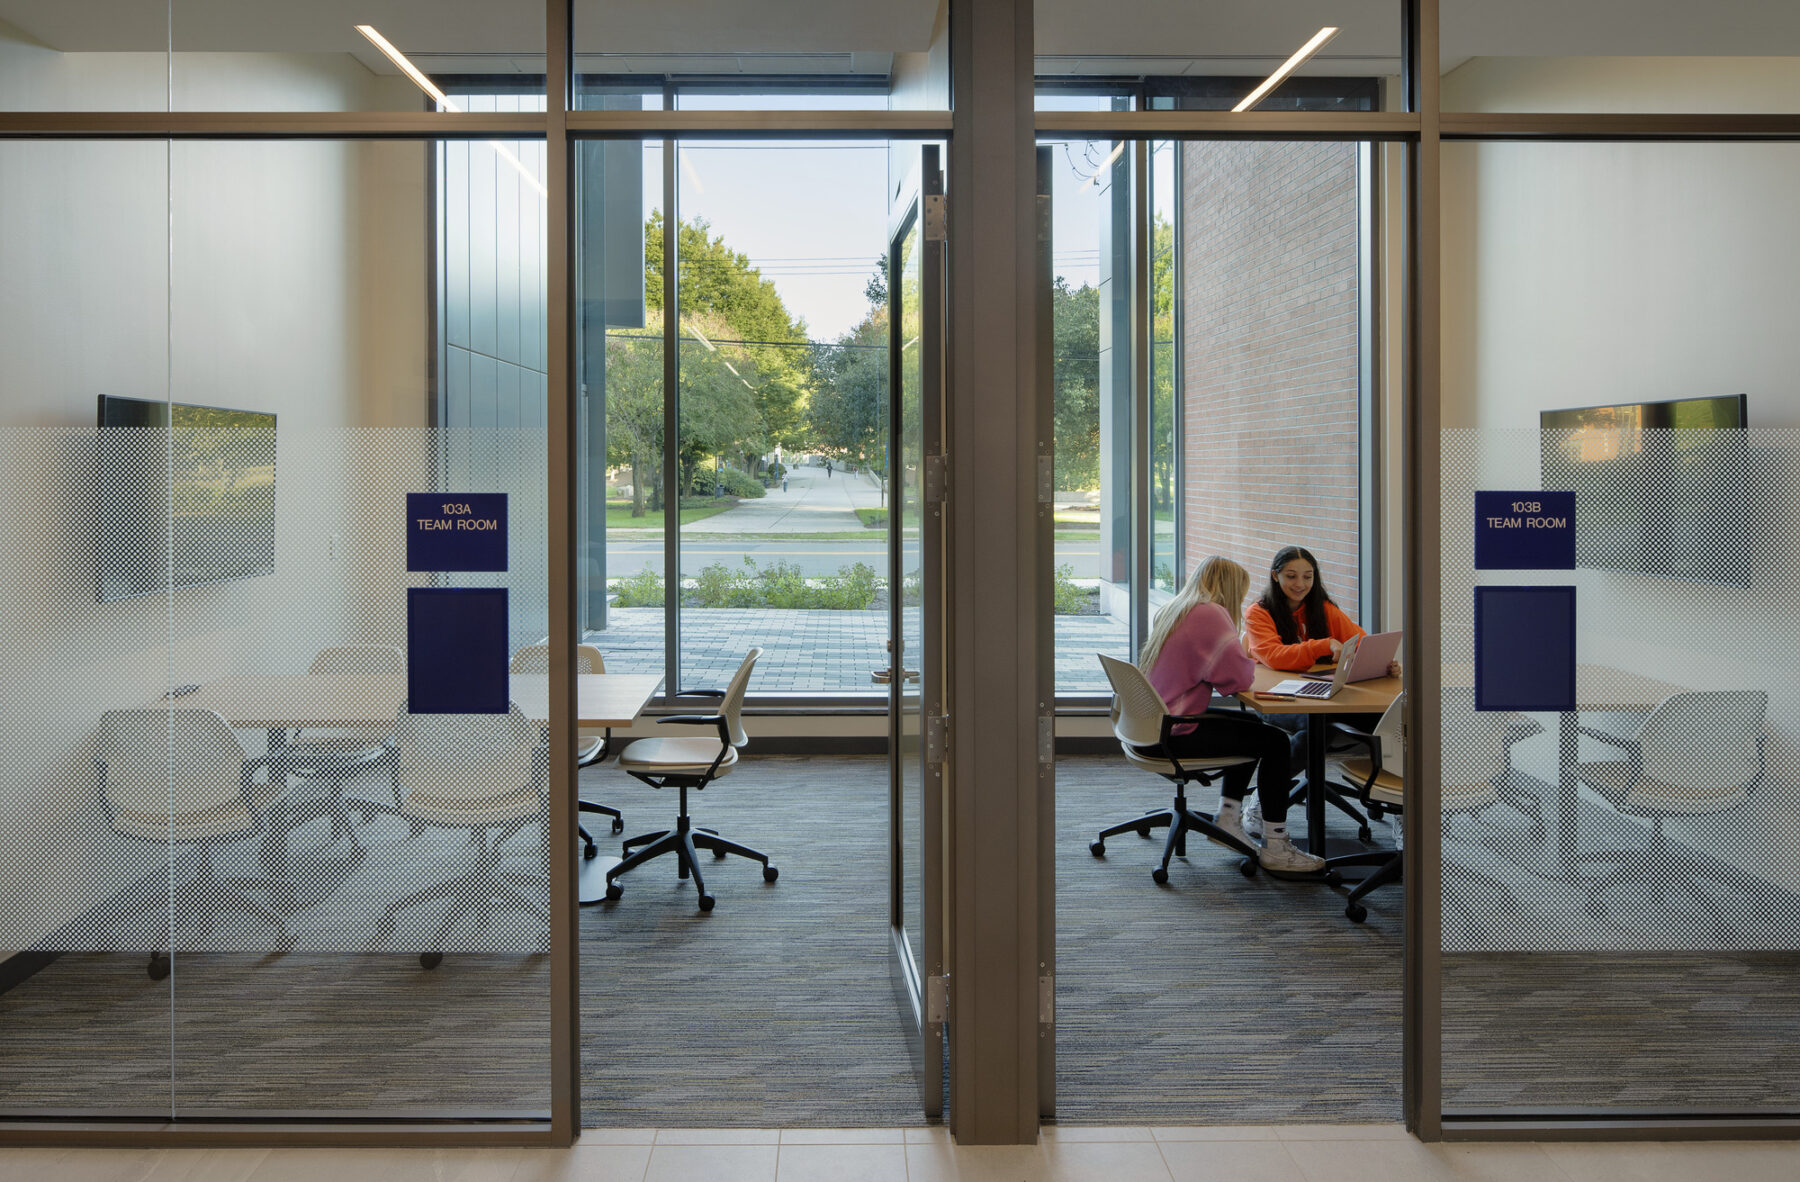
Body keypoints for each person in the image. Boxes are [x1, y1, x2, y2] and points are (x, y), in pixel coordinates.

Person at [1141, 555, 1325, 874]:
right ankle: (1277, 845)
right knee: (1275, 742)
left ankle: (1228, 818)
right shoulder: (1210, 613)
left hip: (1152, 725)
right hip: (1174, 733)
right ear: (1229, 588)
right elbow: (1238, 681)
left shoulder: (1178, 608)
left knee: (1252, 726)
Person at [1242, 545, 1398, 837]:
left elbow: (1361, 642)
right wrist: (1322, 645)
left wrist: (1383, 663)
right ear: (1275, 576)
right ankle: (1263, 799)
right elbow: (1273, 655)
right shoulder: (1258, 612)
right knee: (1316, 728)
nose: (1300, 584)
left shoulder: (1324, 609)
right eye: (1291, 576)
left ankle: (1397, 804)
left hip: (1323, 694)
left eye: (1308, 576)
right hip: (1278, 698)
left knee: (1389, 719)